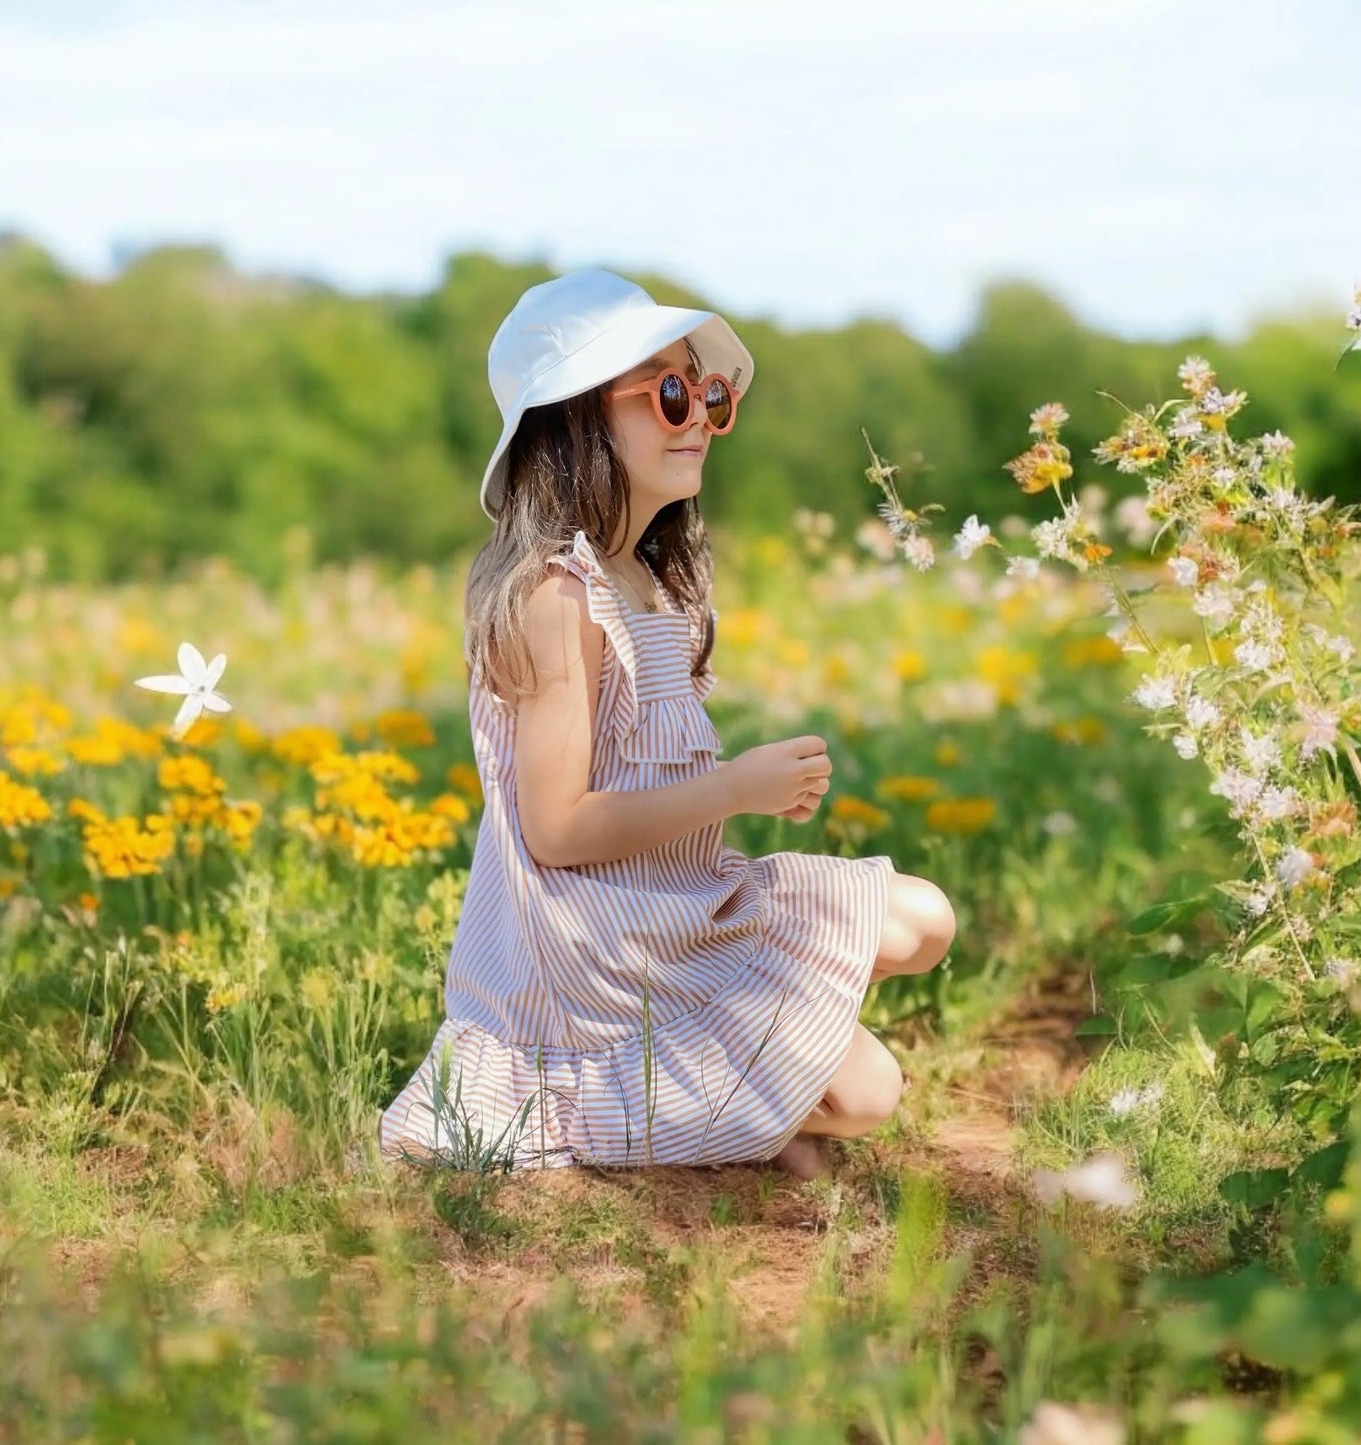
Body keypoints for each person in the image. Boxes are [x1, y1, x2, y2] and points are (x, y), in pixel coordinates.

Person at [378, 269, 955, 1180]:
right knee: (866, 1092)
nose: (698, 420)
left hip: (676, 905)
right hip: (595, 947)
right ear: (572, 423)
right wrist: (738, 788)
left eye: (709, 395)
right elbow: (557, 831)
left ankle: (736, 1064)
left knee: (925, 920)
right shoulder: (557, 597)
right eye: (670, 394)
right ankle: (660, 1091)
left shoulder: (652, 583)